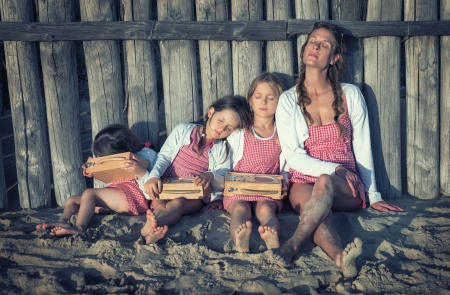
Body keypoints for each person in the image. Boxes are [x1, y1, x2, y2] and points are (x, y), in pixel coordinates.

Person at [270, 22, 404, 277]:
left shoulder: (350, 95)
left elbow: (363, 146)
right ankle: (341, 258)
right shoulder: (288, 100)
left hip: (345, 184)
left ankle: (291, 246)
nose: (316, 46)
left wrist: (373, 194)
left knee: (324, 183)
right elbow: (294, 156)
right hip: (303, 178)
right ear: (304, 49)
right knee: (319, 217)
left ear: (334, 58)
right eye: (312, 41)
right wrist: (334, 168)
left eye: (325, 45)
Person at [140, 96, 251, 244]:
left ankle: (156, 225)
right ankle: (150, 228)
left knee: (177, 205)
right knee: (159, 205)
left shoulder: (222, 148)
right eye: (221, 120)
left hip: (193, 195)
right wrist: (154, 176)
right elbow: (164, 157)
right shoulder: (184, 130)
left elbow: (222, 176)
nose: (222, 129)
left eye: (229, 128)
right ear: (211, 112)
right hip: (168, 185)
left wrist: (211, 176)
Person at [204, 73, 289, 252]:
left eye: (270, 98)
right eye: (258, 97)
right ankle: (240, 239)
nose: (263, 102)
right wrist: (217, 195)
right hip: (238, 188)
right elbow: (223, 164)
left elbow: (287, 166)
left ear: (280, 101)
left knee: (266, 210)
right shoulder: (240, 131)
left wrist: (285, 182)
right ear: (250, 100)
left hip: (267, 188)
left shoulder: (282, 132)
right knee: (240, 210)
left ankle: (272, 236)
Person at [36, 124, 157, 236]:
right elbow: (112, 176)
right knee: (73, 200)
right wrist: (94, 171)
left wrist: (140, 167)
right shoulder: (118, 156)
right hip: (117, 194)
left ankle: (79, 227)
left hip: (134, 196)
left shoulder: (146, 154)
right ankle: (63, 221)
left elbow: (153, 176)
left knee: (89, 193)